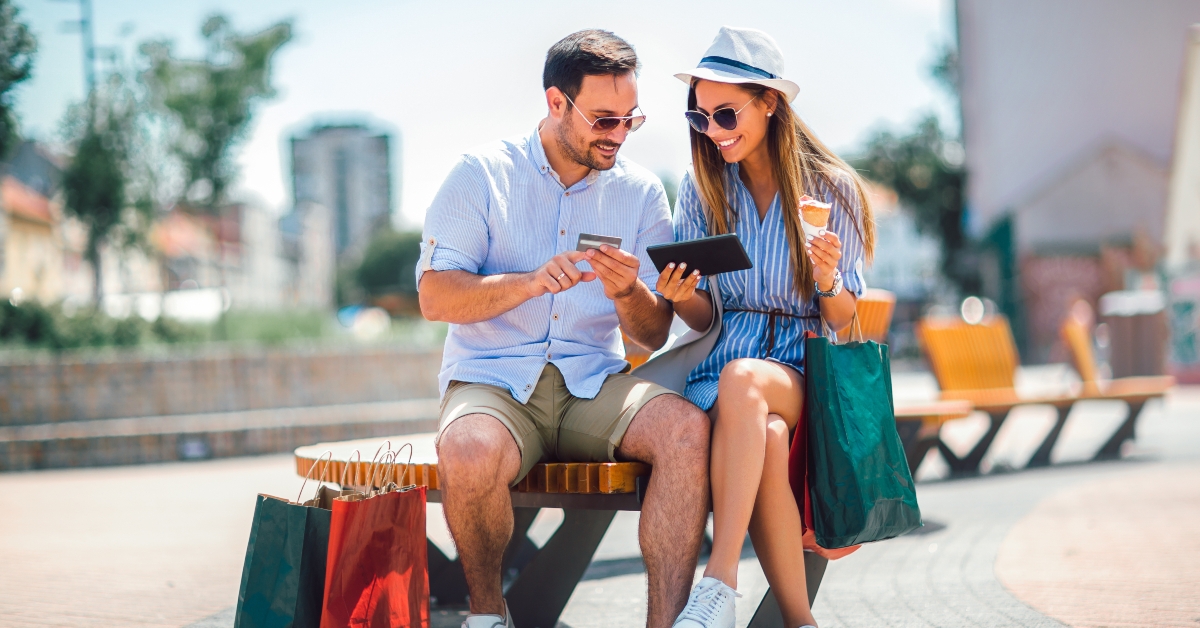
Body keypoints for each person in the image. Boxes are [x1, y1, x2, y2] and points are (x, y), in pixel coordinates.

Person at [418, 29, 712, 628]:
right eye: (604, 120)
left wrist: (628, 291)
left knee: (685, 429)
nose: (619, 135)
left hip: (593, 383)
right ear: (557, 103)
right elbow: (434, 296)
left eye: (630, 120)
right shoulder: (480, 176)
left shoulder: (640, 192)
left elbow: (652, 336)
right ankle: (487, 613)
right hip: (494, 382)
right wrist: (527, 282)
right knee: (467, 451)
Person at [657, 27, 876, 628]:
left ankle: (718, 582)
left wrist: (829, 278)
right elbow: (705, 317)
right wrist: (683, 298)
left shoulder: (831, 188)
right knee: (767, 434)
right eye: (700, 118)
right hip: (725, 371)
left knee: (746, 382)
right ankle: (800, 622)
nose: (714, 130)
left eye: (725, 113)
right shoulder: (704, 188)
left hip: (805, 368)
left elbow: (843, 317)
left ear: (771, 103)